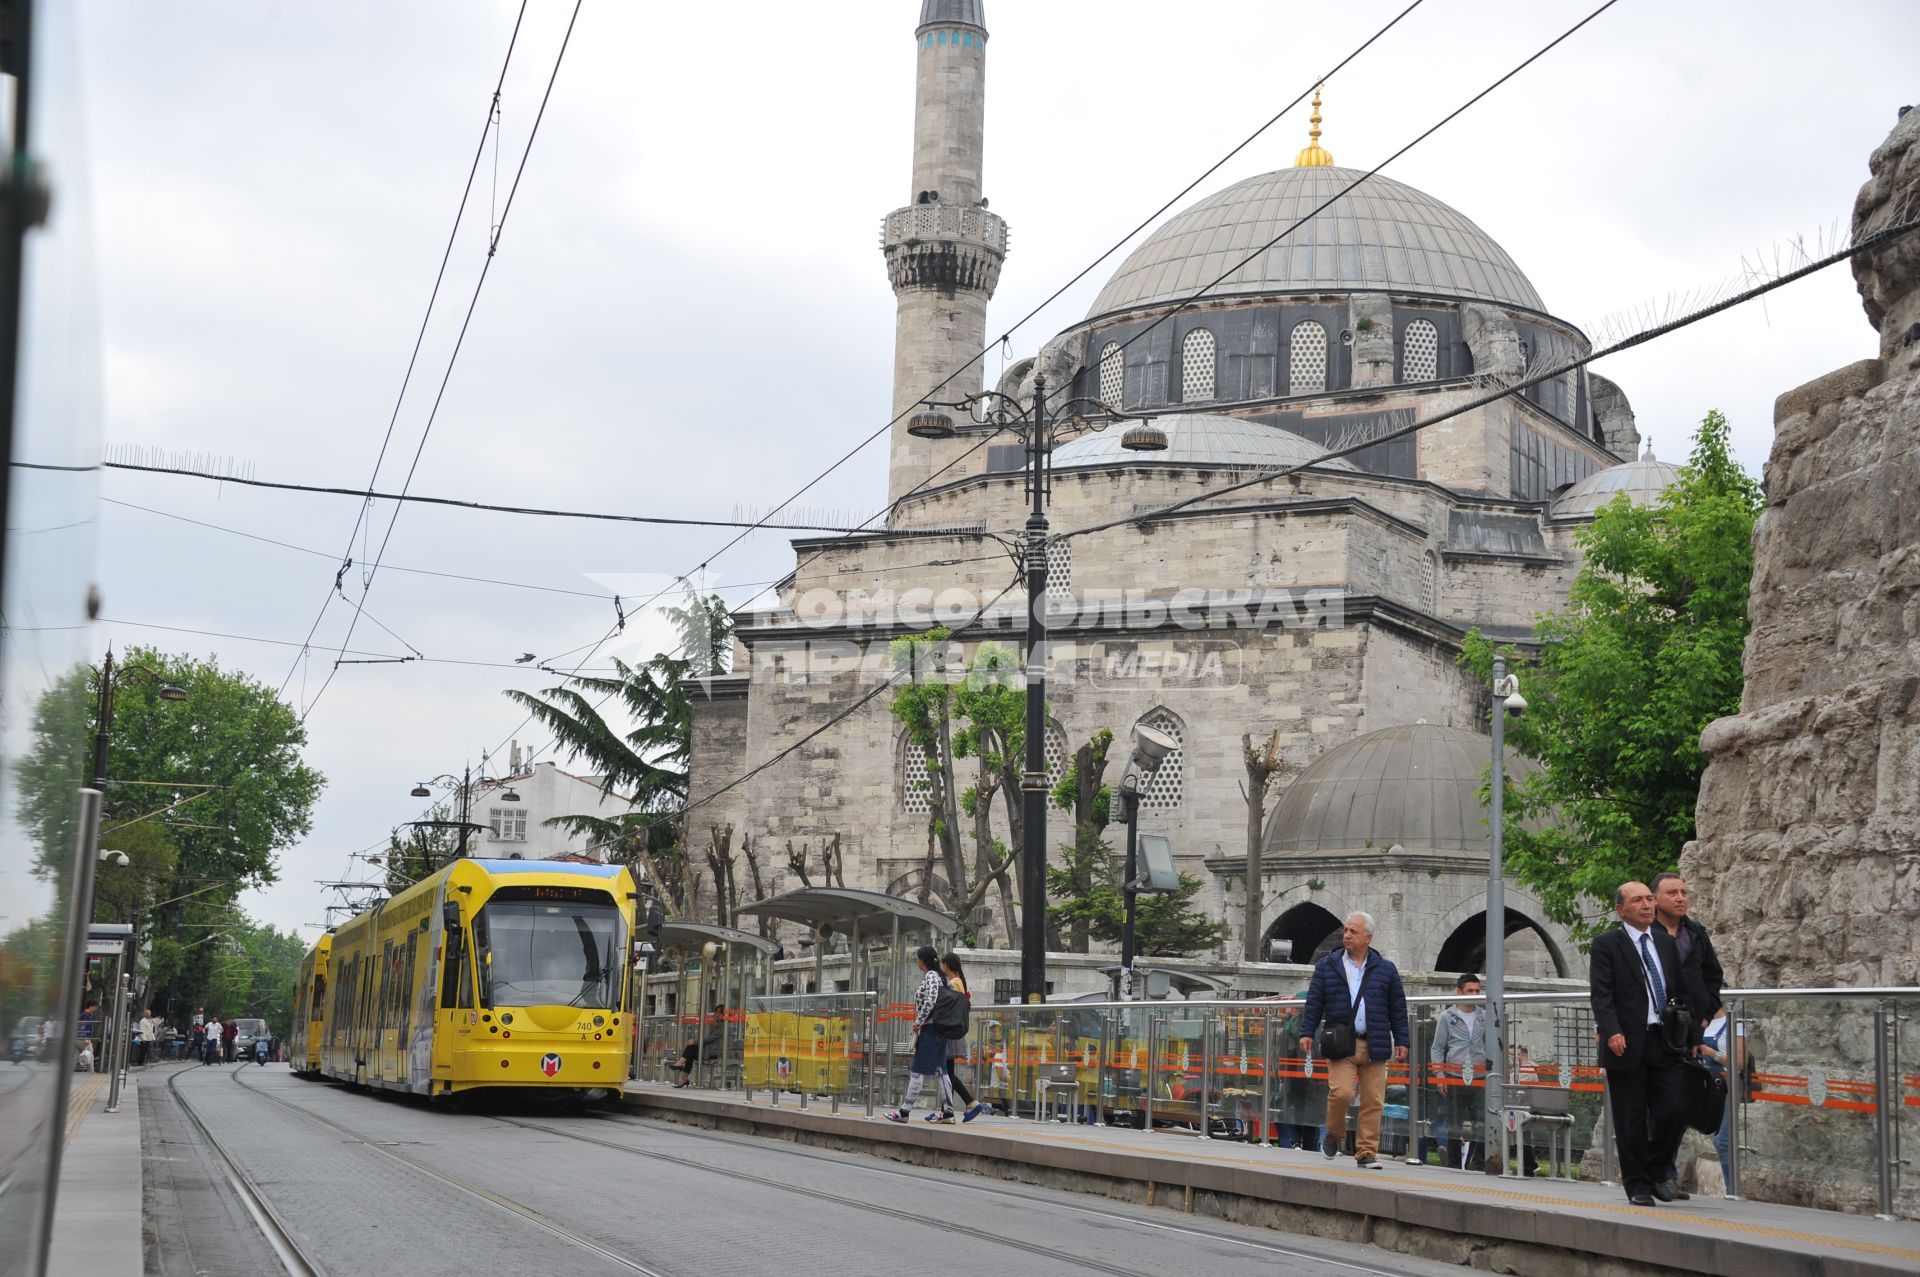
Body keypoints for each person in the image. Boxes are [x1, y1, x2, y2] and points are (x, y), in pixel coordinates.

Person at [1590, 880, 1690, 1207]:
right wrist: (1612, 1030)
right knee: (1630, 1117)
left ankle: (1658, 1166)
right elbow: (1602, 994)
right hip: (1627, 1042)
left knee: (1676, 1108)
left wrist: (1691, 1032)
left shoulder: (1663, 942)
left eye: (1649, 899)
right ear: (1621, 909)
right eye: (1638, 900)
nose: (1647, 905)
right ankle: (1638, 1185)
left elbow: (1679, 989)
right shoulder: (1607, 945)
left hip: (1665, 1040)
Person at [1298, 912, 1410, 1170]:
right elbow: (1315, 1001)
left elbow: (1398, 1008)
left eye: (1353, 931)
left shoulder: (1385, 969)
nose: (1347, 935)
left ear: (1368, 938)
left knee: (1373, 1100)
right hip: (1342, 1043)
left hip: (1376, 1043)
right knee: (1342, 1093)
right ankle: (1334, 1135)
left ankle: (1367, 1153)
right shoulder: (1328, 965)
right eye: (1346, 930)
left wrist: (1402, 1039)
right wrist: (1307, 1031)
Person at [1654, 871, 1725, 1194]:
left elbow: (1712, 975)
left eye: (1684, 892)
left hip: (1688, 1030)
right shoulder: (1646, 933)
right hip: (1654, 1028)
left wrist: (1705, 1015)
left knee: (1680, 1103)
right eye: (1672, 892)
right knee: (1653, 1104)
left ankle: (1664, 1169)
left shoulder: (1695, 933)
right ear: (1656, 899)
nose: (1681, 897)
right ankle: (1656, 1171)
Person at [884, 947, 954, 1123]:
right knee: (940, 1070)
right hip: (939, 1030)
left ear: (923, 960)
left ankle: (904, 1111)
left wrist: (919, 1020)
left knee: (917, 1070)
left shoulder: (931, 976)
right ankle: (948, 1112)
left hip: (930, 1029)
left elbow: (930, 999)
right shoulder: (940, 977)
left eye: (918, 959)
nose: (917, 962)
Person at [1427, 973, 1490, 1167]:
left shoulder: (1485, 1015)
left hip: (1480, 1075)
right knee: (1454, 1122)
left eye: (1477, 991)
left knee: (1483, 1120)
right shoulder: (1447, 1016)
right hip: (1454, 1074)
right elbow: (1437, 1047)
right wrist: (1439, 1075)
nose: (1474, 994)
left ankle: (1478, 1163)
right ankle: (1453, 1165)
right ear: (1459, 992)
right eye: (1470, 990)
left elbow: (1492, 1045)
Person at [933, 953, 987, 1124]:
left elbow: (948, 1006)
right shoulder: (958, 982)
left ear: (946, 965)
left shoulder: (954, 983)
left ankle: (970, 1101)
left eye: (942, 964)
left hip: (949, 1032)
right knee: (947, 1071)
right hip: (952, 1031)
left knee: (946, 1072)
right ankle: (945, 1110)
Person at [1697, 1007, 1746, 1194]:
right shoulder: (1702, 1023)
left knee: (1722, 1140)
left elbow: (1739, 1062)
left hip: (1727, 1083)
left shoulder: (1735, 1024)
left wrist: (1712, 1053)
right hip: (1706, 1084)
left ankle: (1732, 1190)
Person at [666, 999, 725, 1087]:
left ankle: (681, 1068)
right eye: (716, 1012)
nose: (717, 1014)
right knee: (690, 1053)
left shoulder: (723, 1026)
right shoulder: (716, 1024)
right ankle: (683, 1076)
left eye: (720, 1013)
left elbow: (710, 1038)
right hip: (709, 1051)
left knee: (691, 1049)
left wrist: (694, 1041)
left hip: (714, 1053)